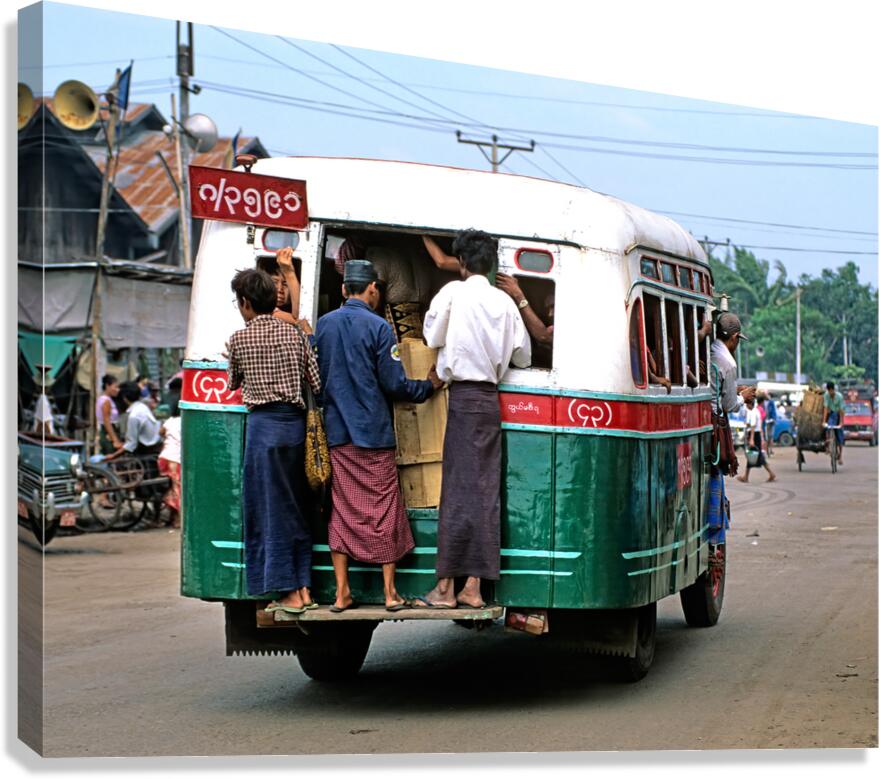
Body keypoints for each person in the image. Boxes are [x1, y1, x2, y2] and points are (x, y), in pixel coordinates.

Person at [315, 259, 444, 612]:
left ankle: (343, 592)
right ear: (373, 288)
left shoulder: (322, 327)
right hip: (373, 434)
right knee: (383, 509)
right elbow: (394, 384)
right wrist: (427, 386)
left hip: (338, 435)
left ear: (343, 289)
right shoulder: (380, 328)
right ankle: (389, 593)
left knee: (341, 510)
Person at [415, 229, 531, 609]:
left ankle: (447, 588)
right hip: (489, 403)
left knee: (456, 495)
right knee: (485, 495)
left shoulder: (452, 293)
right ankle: (474, 587)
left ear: (462, 262)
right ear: (490, 263)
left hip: (462, 400)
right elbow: (523, 357)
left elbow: (431, 336)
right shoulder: (504, 303)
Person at [227, 268, 322, 615]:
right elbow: (315, 381)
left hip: (264, 430)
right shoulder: (295, 335)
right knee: (297, 507)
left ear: (246, 303)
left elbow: (232, 383)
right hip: (295, 428)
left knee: (268, 509)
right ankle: (304, 585)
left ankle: (286, 591)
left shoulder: (239, 339)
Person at [707, 312, 757, 547]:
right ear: (735, 337)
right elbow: (728, 405)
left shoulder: (711, 351)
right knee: (717, 475)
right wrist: (743, 397)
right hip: (716, 427)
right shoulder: (727, 362)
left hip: (706, 418)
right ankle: (716, 534)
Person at [158, 380, 183, 528]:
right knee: (177, 489)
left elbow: (160, 433)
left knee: (174, 487)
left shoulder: (169, 421)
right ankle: (178, 519)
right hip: (175, 459)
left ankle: (171, 516)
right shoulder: (185, 422)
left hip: (164, 458)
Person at [737, 396, 777, 483]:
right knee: (754, 456)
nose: (746, 406)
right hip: (755, 435)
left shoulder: (753, 412)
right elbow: (750, 424)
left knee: (754, 455)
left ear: (751, 404)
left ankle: (747, 477)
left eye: (747, 404)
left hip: (755, 435)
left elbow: (753, 425)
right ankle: (747, 476)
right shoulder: (754, 411)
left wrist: (751, 439)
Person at [96, 374, 122, 455]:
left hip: (107, 431)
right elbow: (107, 421)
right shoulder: (106, 401)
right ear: (107, 386)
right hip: (108, 432)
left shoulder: (103, 399)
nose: (118, 390)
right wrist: (115, 440)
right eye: (115, 387)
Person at [822, 381, 846, 466]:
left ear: (833, 389)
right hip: (831, 414)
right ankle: (828, 444)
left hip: (839, 414)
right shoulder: (826, 395)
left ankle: (840, 457)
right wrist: (824, 421)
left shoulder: (839, 397)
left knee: (840, 437)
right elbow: (825, 408)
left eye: (831, 390)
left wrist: (841, 422)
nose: (830, 392)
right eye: (829, 391)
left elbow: (842, 410)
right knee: (827, 426)